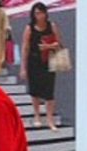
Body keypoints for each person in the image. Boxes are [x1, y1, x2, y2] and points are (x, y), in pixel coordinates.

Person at [20, 2, 61, 131]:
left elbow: (59, 43)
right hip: (34, 61)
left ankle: (49, 119)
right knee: (35, 90)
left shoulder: (51, 25)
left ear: (45, 13)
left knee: (49, 91)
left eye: (41, 12)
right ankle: (37, 115)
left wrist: (48, 46)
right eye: (36, 13)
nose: (39, 16)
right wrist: (23, 67)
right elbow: (25, 47)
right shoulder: (29, 28)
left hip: (48, 61)